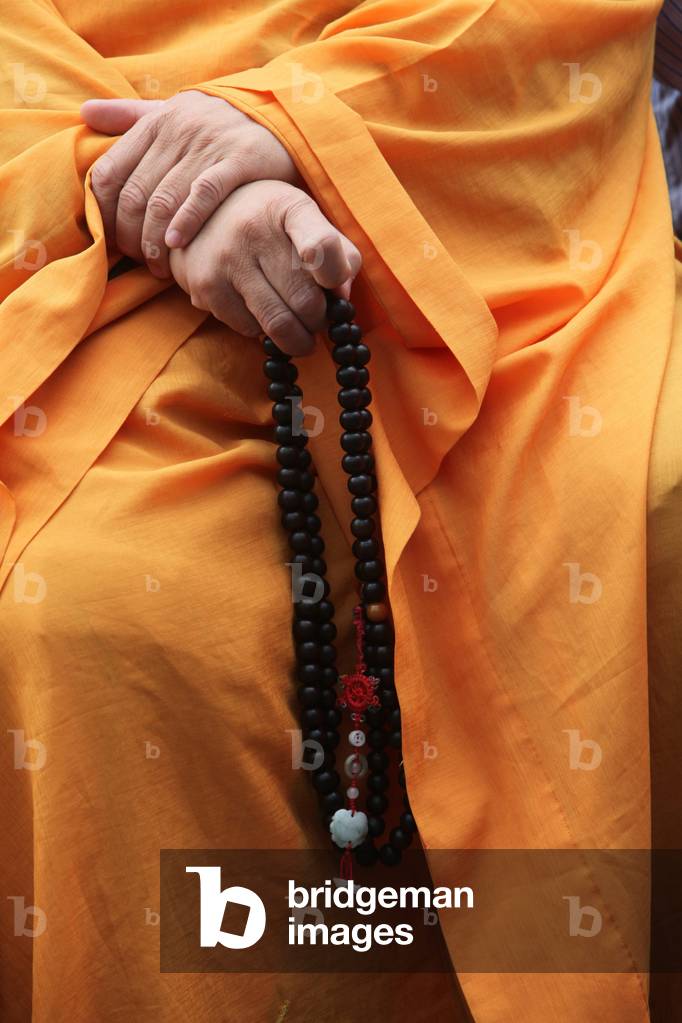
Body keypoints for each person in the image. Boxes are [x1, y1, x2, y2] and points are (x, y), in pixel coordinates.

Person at [1, 1, 679, 1019]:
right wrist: (165, 186)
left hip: (484, 242)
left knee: (650, 511)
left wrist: (293, 123)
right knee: (97, 611)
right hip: (102, 288)